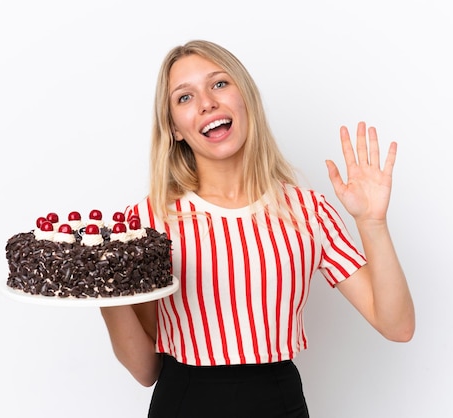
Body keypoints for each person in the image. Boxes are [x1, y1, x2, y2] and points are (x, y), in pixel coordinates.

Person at [100, 39, 415, 418]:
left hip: (278, 404)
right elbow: (145, 369)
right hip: (182, 404)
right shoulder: (148, 222)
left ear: (246, 97)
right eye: (184, 98)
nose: (206, 103)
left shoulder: (308, 211)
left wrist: (372, 223)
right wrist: (101, 288)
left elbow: (397, 326)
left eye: (219, 84)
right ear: (175, 129)